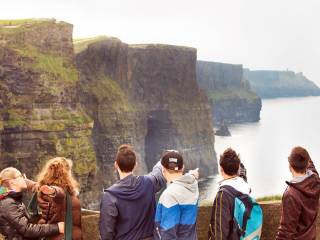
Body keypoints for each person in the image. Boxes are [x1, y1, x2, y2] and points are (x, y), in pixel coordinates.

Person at [99, 144, 166, 240]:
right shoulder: (148, 183)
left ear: (116, 165)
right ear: (135, 165)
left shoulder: (110, 196)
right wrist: (164, 159)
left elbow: (106, 234)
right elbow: (159, 174)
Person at [0, 167, 64, 240]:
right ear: (12, 182)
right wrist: (57, 227)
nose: (25, 179)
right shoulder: (8, 203)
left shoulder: (14, 200)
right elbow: (26, 230)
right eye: (20, 176)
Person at [276, 146, 320, 240]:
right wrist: (302, 155)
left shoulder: (291, 194)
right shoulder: (315, 180)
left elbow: (286, 231)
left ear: (290, 165)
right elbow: (311, 166)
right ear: (307, 163)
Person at [153, 150, 199, 240]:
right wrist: (193, 174)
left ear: (163, 170)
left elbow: (168, 233)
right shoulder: (193, 184)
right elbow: (189, 177)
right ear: (182, 167)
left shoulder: (170, 195)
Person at [34, 157, 83, 240]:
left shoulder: (44, 188)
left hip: (53, 234)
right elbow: (59, 193)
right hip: (64, 236)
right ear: (65, 172)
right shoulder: (58, 191)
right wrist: (53, 191)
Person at [208, 148, 252, 239]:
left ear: (221, 169)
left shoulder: (223, 195)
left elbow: (219, 234)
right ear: (238, 169)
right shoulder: (245, 188)